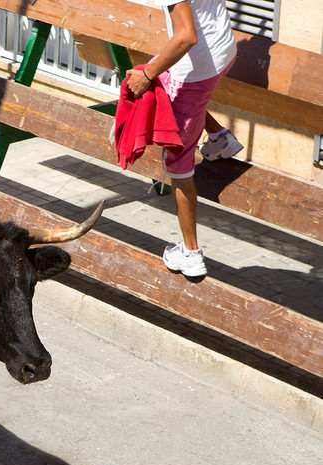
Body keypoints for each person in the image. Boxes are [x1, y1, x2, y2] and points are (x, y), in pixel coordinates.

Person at [125, 0, 243, 278]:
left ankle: (191, 253)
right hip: (223, 51)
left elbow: (186, 36)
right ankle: (219, 138)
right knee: (162, 85)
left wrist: (146, 75)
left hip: (197, 68)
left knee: (177, 159)